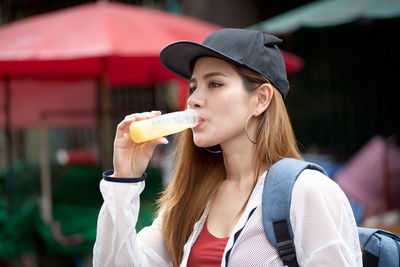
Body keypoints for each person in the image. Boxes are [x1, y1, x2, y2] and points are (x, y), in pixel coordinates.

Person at [93, 28, 362, 267]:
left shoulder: (308, 192)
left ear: (261, 99)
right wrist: (124, 178)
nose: (194, 100)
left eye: (215, 84)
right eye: (193, 86)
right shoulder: (190, 200)